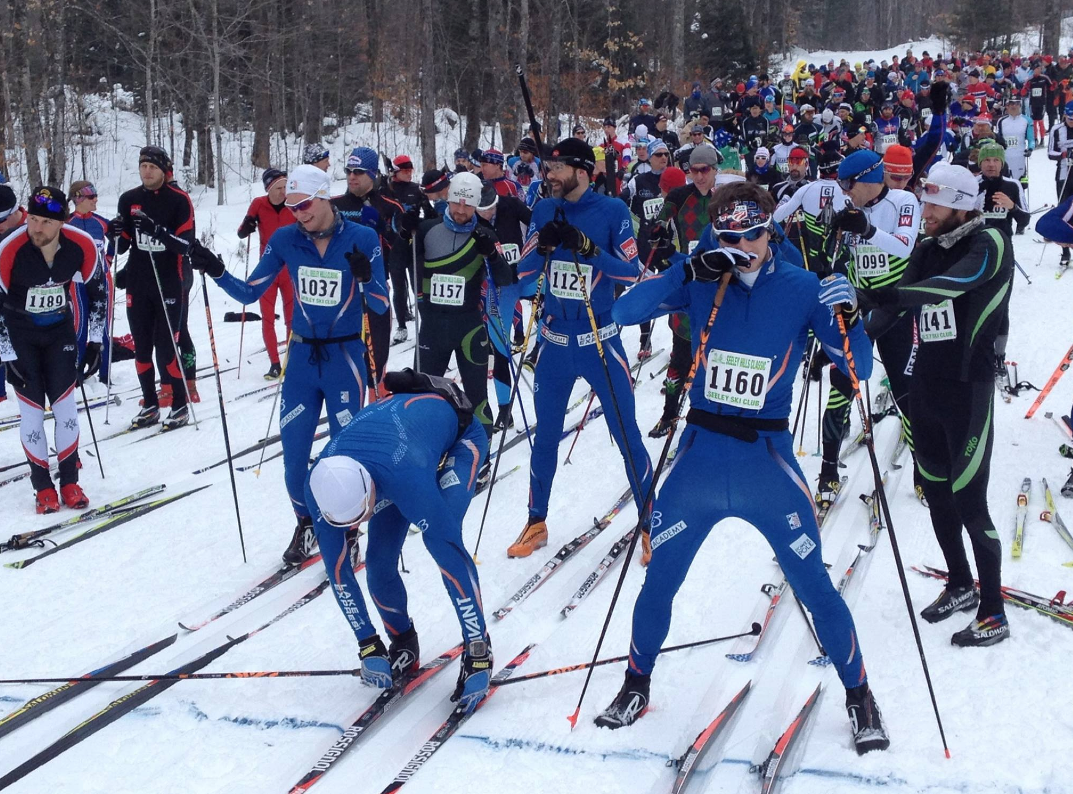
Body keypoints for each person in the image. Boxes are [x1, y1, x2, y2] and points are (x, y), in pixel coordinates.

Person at [600, 181, 889, 755]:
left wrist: (851, 318)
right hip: (699, 459)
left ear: (769, 229)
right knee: (660, 580)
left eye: (752, 233)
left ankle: (860, 696)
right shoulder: (703, 277)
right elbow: (622, 311)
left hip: (767, 463)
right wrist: (686, 268)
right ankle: (636, 683)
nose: (743, 246)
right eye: (729, 235)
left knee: (814, 585)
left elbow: (858, 374)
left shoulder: (801, 286)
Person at [189, 164, 389, 564]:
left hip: (345, 357)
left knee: (343, 456)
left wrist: (367, 279)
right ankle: (308, 522)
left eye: (305, 204)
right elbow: (249, 293)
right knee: (294, 459)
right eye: (292, 206)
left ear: (325, 196)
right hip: (300, 360)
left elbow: (382, 305)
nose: (298, 213)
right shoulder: (284, 239)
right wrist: (215, 269)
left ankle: (348, 530)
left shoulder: (362, 237)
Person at [856, 163, 1012, 647]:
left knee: (970, 499)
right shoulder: (928, 247)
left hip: (970, 386)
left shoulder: (989, 243)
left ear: (963, 204)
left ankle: (994, 611)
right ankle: (960, 583)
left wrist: (885, 292)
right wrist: (847, 344)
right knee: (937, 492)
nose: (925, 212)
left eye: (935, 204)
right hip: (927, 384)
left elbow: (951, 286)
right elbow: (892, 310)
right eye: (925, 202)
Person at [304, 369, 493, 709]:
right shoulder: (319, 485)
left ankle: (479, 647)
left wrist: (477, 651)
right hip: (392, 458)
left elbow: (452, 552)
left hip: (456, 441)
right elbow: (338, 571)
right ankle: (403, 641)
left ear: (369, 495)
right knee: (377, 563)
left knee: (440, 541)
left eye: (360, 516)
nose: (356, 526)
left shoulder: (405, 478)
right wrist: (368, 643)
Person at [508, 138, 653, 558]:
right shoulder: (543, 208)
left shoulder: (611, 211)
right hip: (553, 343)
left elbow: (632, 274)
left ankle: (650, 521)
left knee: (626, 435)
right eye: (547, 168)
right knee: (546, 436)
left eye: (556, 168)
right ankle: (536, 521)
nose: (547, 175)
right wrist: (547, 244)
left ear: (582, 171)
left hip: (600, 342)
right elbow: (526, 268)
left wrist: (589, 250)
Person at [818, 150, 921, 504]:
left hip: (895, 305)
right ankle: (827, 471)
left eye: (849, 184)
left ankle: (924, 472)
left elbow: (905, 247)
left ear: (868, 178)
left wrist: (866, 228)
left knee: (906, 390)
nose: (845, 190)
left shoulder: (904, 200)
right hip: (859, 304)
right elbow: (832, 257)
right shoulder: (849, 207)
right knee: (840, 384)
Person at [0, 187, 105, 512]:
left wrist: (96, 342)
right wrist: (6, 356)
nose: (36, 228)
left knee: (65, 408)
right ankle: (42, 485)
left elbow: (99, 292)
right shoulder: (9, 249)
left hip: (59, 332)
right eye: (32, 219)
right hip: (21, 335)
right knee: (31, 410)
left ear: (61, 222)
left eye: (46, 221)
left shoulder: (81, 245)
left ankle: (70, 481)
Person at [412, 171, 512, 442]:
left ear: (477, 204)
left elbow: (505, 279)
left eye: (468, 204)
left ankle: (481, 459)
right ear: (448, 198)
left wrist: (490, 252)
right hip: (432, 329)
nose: (460, 210)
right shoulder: (426, 230)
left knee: (477, 399)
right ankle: (426, 454)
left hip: (469, 329)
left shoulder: (485, 235)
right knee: (420, 398)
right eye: (456, 201)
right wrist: (401, 229)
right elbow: (399, 259)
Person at [111, 145, 196, 430]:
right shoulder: (129, 199)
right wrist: (115, 232)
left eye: (153, 168)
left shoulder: (179, 200)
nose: (147, 172)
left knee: (167, 347)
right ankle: (149, 404)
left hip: (169, 282)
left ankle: (180, 404)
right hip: (138, 280)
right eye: (143, 166)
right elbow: (123, 245)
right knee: (142, 347)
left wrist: (156, 230)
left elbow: (185, 246)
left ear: (164, 171)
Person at [647, 145, 719, 438]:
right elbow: (661, 219)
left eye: (705, 170)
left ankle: (710, 417)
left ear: (715, 169)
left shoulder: (728, 197)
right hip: (689, 282)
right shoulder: (680, 195)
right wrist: (657, 233)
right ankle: (669, 414)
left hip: (719, 283)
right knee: (680, 355)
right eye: (694, 170)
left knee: (715, 356)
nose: (699, 176)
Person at [332, 147, 406, 365]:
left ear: (372, 174)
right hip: (339, 292)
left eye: (358, 171)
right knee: (340, 364)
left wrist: (383, 228)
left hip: (374, 290)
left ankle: (377, 396)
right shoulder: (333, 205)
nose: (351, 176)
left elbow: (403, 252)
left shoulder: (389, 206)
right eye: (348, 171)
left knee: (375, 363)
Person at [477, 181, 532, 431]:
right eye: (482, 209)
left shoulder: (509, 204)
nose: (488, 213)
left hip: (526, 276)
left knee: (556, 312)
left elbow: (536, 222)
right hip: (500, 289)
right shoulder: (474, 222)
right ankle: (504, 410)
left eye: (491, 207)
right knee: (500, 347)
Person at [237, 168, 296, 379]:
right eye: (279, 187)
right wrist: (249, 225)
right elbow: (241, 232)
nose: (283, 191)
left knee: (291, 318)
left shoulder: (293, 203)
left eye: (285, 186)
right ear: (268, 189)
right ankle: (274, 363)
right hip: (268, 270)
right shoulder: (258, 204)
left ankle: (291, 362)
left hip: (290, 268)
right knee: (267, 318)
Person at [976, 142, 1027, 375]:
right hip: (975, 253)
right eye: (987, 160)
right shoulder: (972, 185)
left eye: (996, 160)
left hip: (1004, 253)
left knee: (1002, 305)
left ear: (1002, 162)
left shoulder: (1012, 185)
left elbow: (1025, 221)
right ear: (980, 163)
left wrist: (1012, 207)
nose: (991, 164)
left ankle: (998, 356)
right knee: (975, 304)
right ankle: (977, 351)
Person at [67, 180, 115, 385]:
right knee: (79, 327)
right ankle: (76, 376)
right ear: (79, 199)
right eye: (91, 196)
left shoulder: (101, 222)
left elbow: (116, 239)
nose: (96, 199)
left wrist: (109, 259)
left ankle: (105, 376)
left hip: (102, 280)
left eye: (96, 195)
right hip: (77, 282)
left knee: (103, 328)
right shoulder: (67, 224)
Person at [1047, 101, 1073, 268]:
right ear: (1065, 115)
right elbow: (1050, 153)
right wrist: (1064, 154)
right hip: (1064, 174)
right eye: (1071, 118)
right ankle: (1065, 251)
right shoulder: (1057, 130)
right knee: (1064, 213)